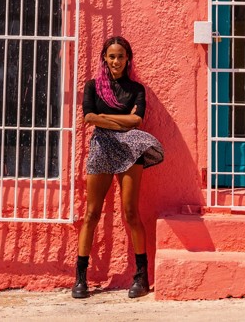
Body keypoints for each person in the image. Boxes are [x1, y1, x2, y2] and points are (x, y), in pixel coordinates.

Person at [73, 36, 164, 299]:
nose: (116, 61)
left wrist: (106, 120)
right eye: (111, 56)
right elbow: (89, 117)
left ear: (128, 59)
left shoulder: (136, 89)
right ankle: (80, 277)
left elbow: (137, 121)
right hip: (101, 147)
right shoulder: (93, 87)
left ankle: (141, 276)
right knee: (91, 213)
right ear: (104, 58)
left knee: (131, 212)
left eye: (121, 56)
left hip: (129, 150)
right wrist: (121, 121)